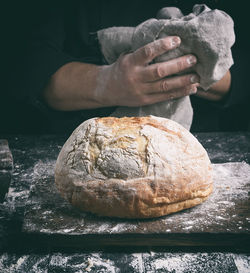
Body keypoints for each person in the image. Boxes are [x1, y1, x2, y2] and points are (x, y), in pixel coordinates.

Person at [1, 0, 249, 134]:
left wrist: (192, 64)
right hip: (68, 138)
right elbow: (21, 63)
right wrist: (107, 82)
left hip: (208, 145)